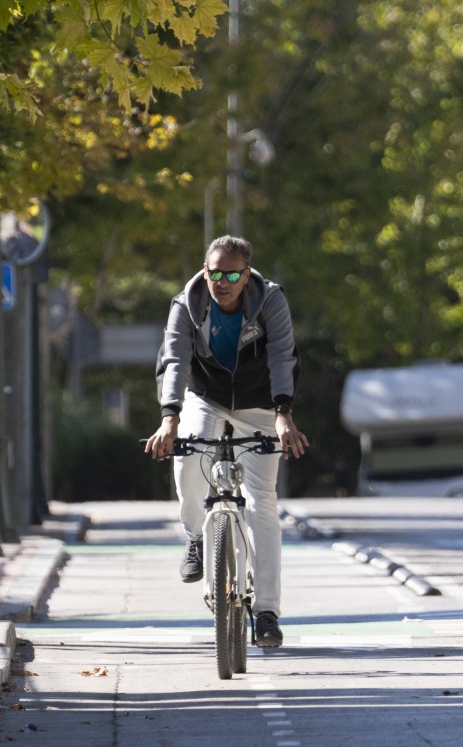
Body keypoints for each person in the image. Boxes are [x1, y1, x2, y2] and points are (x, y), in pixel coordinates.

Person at [145, 235, 309, 648]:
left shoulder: (270, 301)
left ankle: (267, 611)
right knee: (186, 462)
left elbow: (282, 357)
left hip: (259, 404)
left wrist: (283, 414)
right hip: (207, 399)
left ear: (246, 274)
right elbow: (175, 359)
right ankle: (197, 537)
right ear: (205, 270)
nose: (222, 282)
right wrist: (169, 418)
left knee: (262, 503)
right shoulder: (186, 304)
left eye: (232, 274)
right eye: (214, 272)